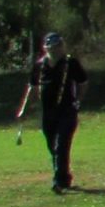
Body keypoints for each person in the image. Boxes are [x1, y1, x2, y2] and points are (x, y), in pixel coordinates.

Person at [13, 30, 89, 192]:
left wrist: (78, 101)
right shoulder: (40, 66)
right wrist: (24, 110)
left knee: (61, 144)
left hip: (67, 111)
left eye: (58, 46)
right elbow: (32, 88)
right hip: (48, 112)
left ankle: (58, 181)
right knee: (52, 146)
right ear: (46, 48)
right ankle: (64, 177)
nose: (55, 50)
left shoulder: (70, 63)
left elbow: (83, 83)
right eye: (52, 47)